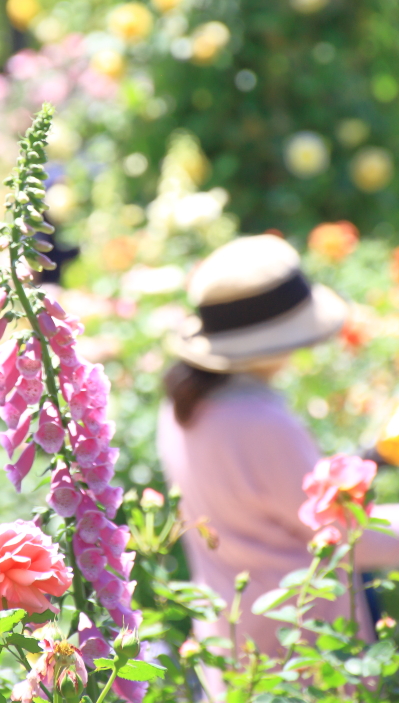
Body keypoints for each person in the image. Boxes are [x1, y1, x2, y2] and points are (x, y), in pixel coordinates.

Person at [158, 234, 399, 678]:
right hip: (297, 647)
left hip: (232, 634)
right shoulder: (260, 420)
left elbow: (264, 496)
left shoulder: (181, 405)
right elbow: (346, 535)